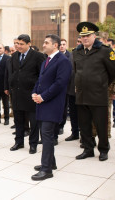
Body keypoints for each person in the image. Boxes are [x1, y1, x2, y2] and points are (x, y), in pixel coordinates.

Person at [72, 22, 115, 161]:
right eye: (82, 36)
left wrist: (102, 84)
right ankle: (88, 149)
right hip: (81, 94)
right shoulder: (76, 52)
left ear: (94, 36)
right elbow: (76, 71)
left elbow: (114, 72)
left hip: (98, 94)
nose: (85, 39)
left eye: (88, 36)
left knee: (101, 125)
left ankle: (103, 149)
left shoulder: (105, 51)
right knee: (84, 125)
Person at [31, 34, 72, 181]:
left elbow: (60, 84)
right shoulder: (46, 60)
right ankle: (51, 163)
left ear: (55, 45)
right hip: (42, 103)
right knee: (45, 134)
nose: (43, 45)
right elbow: (40, 80)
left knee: (47, 136)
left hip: (52, 104)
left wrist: (43, 96)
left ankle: (46, 169)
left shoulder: (63, 61)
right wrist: (35, 92)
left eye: (46, 42)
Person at [8, 34, 45, 154]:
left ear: (29, 44)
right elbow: (13, 72)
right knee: (18, 120)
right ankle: (18, 142)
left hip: (31, 94)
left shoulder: (38, 56)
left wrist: (38, 90)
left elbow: (42, 75)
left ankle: (33, 144)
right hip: (17, 94)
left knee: (33, 122)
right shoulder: (14, 56)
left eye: (21, 44)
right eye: (17, 44)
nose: (19, 46)